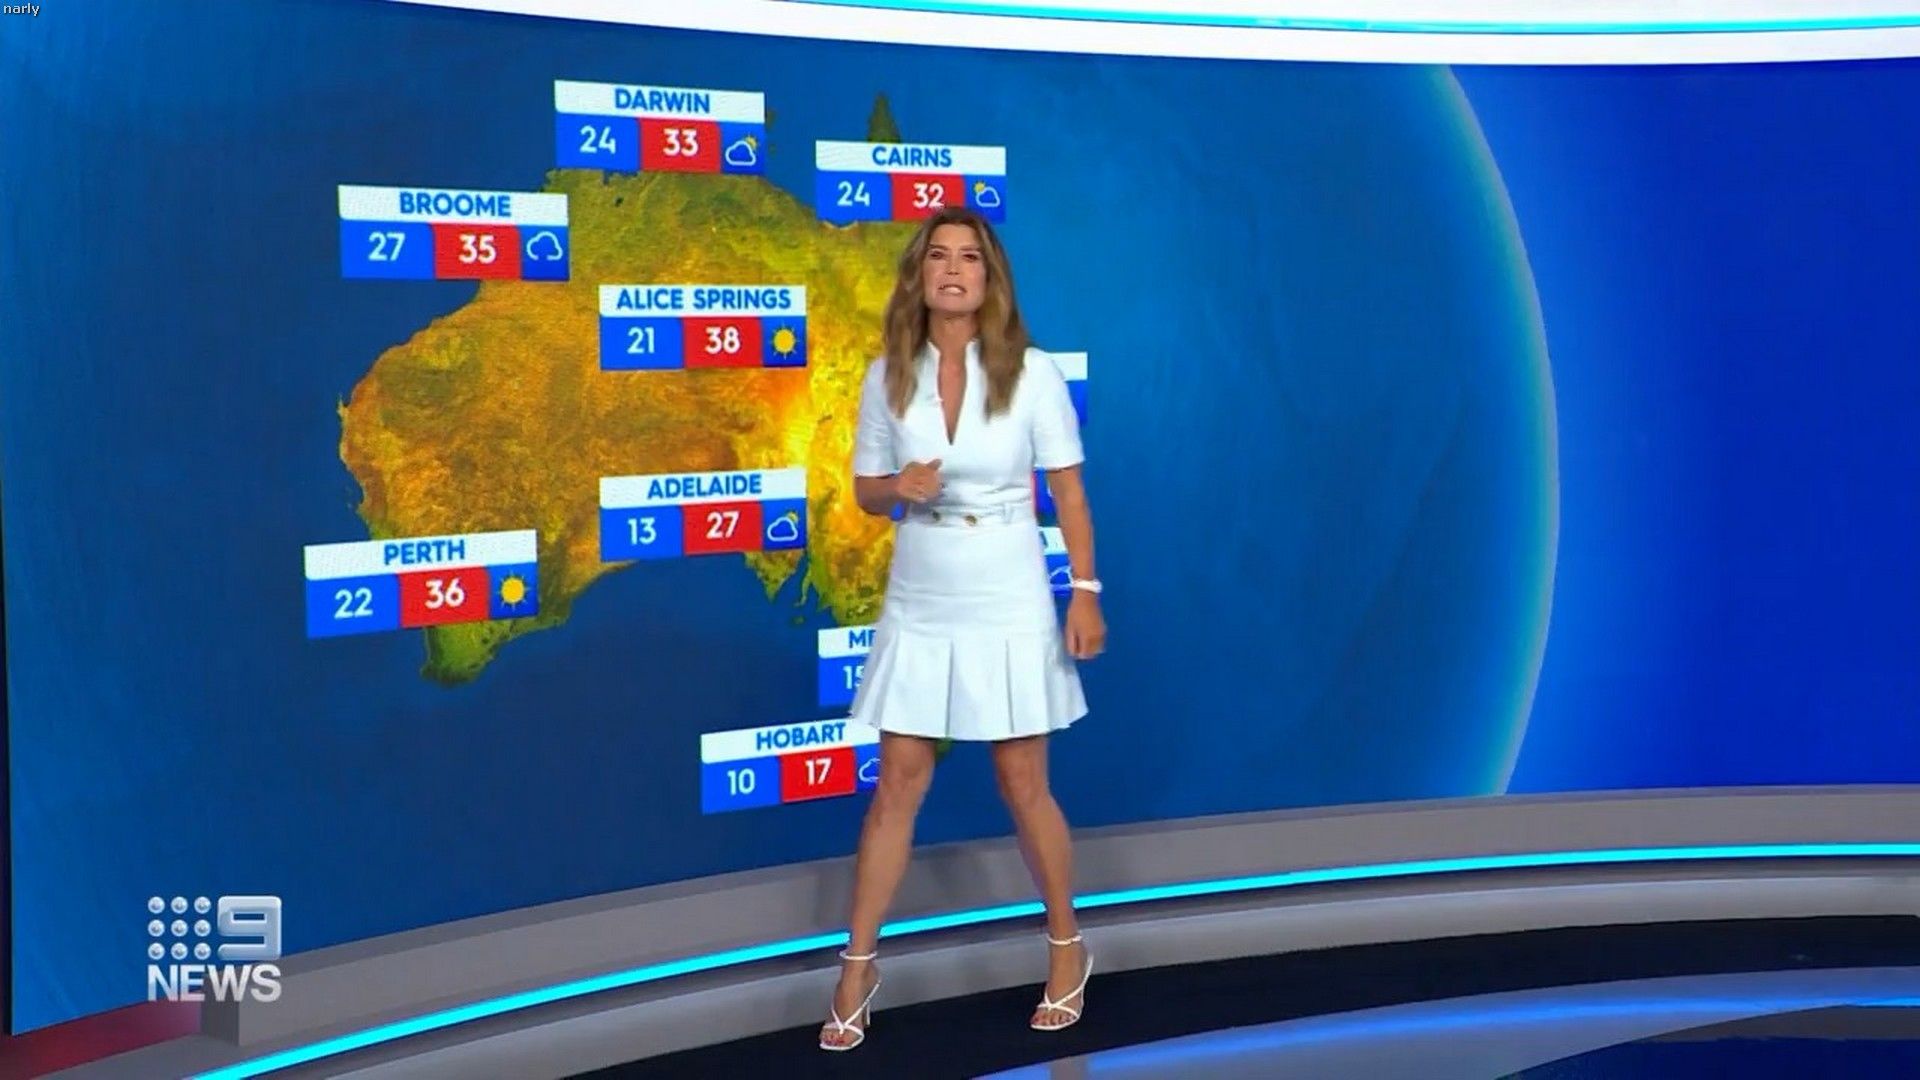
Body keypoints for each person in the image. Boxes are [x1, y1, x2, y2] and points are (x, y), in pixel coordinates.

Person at [819, 206, 1106, 1052]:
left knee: (1022, 783)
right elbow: (866, 491)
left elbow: (1069, 491)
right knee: (898, 784)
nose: (953, 269)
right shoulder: (888, 374)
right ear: (919, 274)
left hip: (1008, 585)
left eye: (970, 257)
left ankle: (1068, 947)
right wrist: (894, 487)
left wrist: (1084, 592)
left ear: (990, 277)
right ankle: (857, 968)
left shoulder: (1033, 373)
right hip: (923, 588)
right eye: (939, 255)